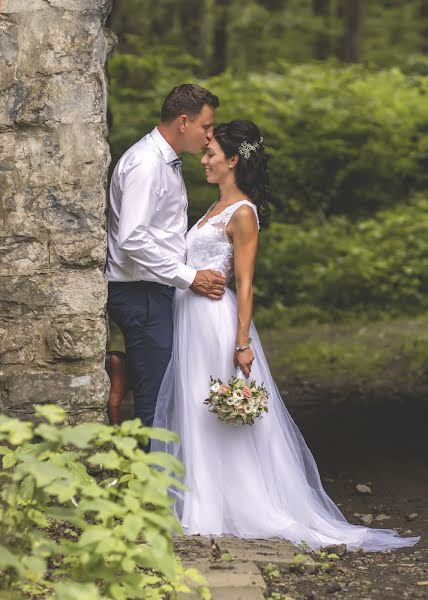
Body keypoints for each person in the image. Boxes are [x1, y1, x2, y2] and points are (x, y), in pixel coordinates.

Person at [153, 120, 420, 551]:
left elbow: (245, 283)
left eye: (211, 155)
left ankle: (232, 503)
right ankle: (200, 501)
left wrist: (241, 343)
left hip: (215, 323)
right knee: (193, 403)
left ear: (233, 160)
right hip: (191, 318)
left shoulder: (242, 213)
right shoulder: (212, 208)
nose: (203, 160)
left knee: (217, 408)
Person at [106, 84, 225, 429]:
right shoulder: (146, 165)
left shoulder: (163, 162)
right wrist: (190, 277)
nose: (209, 136)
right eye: (206, 127)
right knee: (156, 395)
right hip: (140, 292)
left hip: (154, 289)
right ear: (184, 122)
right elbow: (132, 239)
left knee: (164, 384)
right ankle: (148, 481)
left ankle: (125, 370)